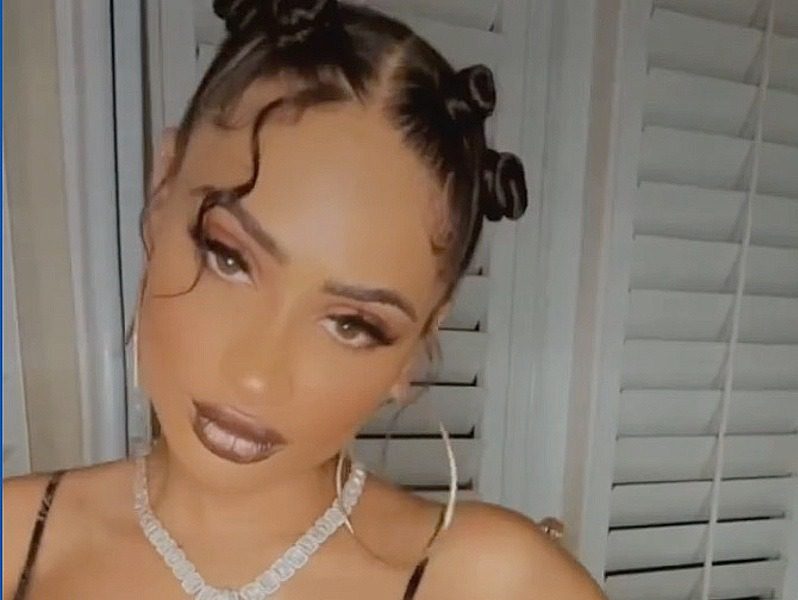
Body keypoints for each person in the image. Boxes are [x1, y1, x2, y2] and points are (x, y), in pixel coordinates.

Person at [3, 1, 607, 598]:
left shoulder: (496, 583)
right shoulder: (13, 537)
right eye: (229, 258)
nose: (256, 376)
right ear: (162, 190)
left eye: (352, 324)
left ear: (417, 346)